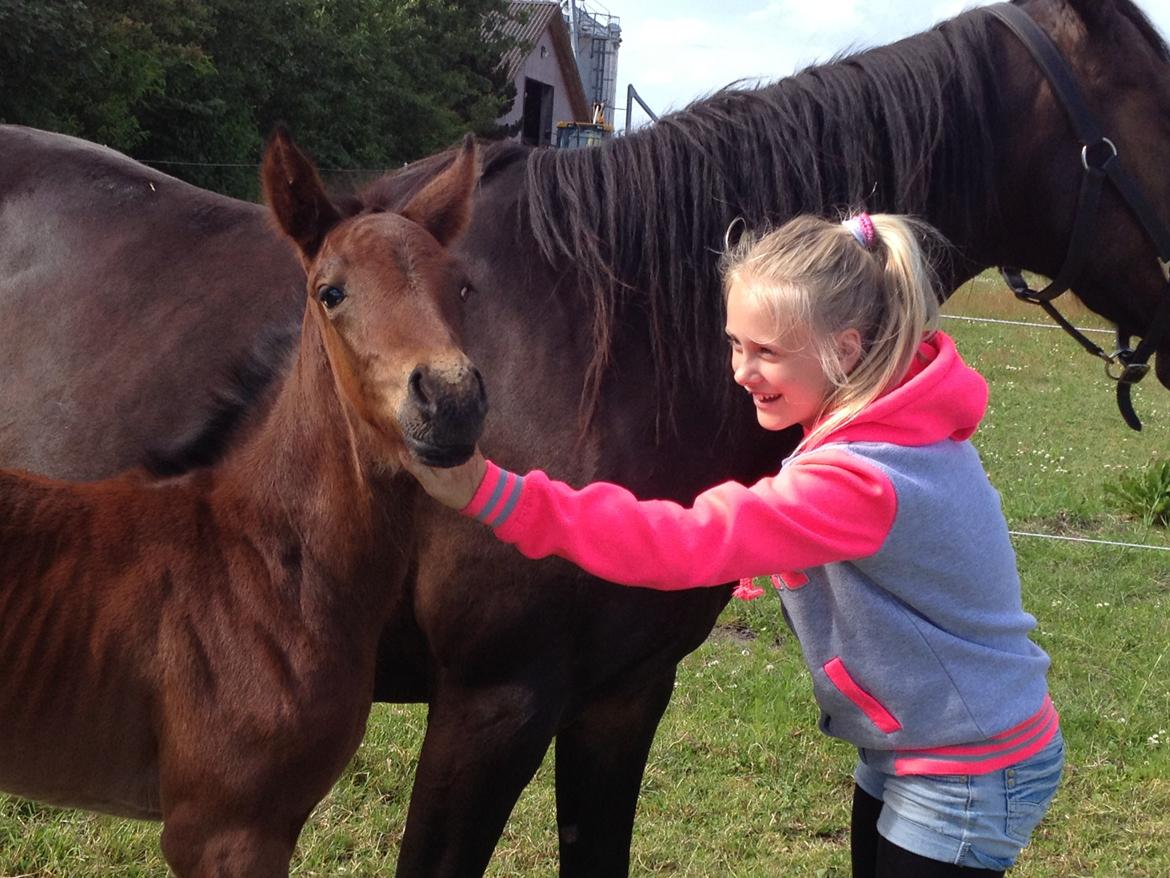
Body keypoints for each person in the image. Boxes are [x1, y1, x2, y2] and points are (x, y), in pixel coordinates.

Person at [400, 212, 1063, 877]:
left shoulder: (862, 478)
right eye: (734, 343)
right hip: (926, 744)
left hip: (966, 766)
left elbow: (684, 543)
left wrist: (490, 492)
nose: (741, 370)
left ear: (849, 348)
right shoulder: (897, 421)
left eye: (768, 352)